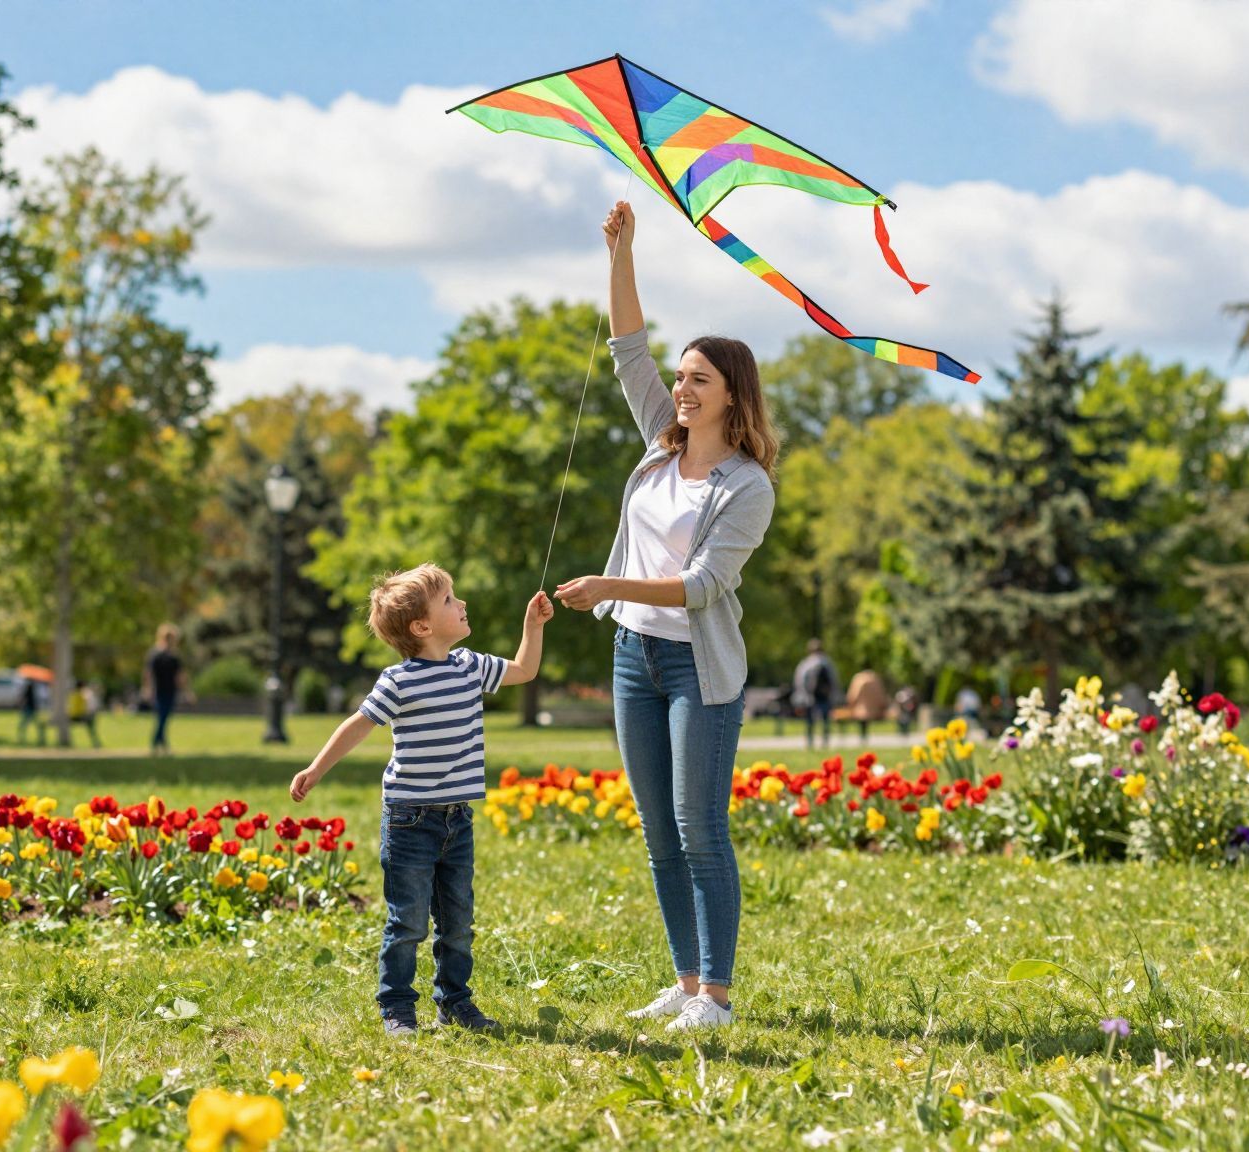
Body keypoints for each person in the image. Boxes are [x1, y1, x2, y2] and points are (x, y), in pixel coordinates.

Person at [554, 200, 778, 1033]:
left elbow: (702, 587)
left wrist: (607, 585)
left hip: (696, 669)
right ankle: (686, 984)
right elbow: (627, 349)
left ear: (732, 396)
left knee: (699, 830)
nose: (680, 389)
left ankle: (717, 996)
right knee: (657, 833)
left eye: (698, 380)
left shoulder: (747, 486)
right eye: (680, 378)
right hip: (633, 658)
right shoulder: (661, 443)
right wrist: (621, 254)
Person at [291, 564, 552, 1037]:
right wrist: (316, 768)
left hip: (457, 819)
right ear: (422, 627)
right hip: (409, 820)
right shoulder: (398, 681)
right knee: (408, 922)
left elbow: (524, 670)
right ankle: (396, 1007)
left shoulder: (470, 665)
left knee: (458, 922)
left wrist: (531, 627)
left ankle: (454, 1001)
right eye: (449, 599)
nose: (462, 603)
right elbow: (358, 725)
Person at [143, 624, 193, 756]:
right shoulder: (155, 654)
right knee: (162, 717)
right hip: (157, 691)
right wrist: (148, 689)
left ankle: (161, 744)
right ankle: (156, 743)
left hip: (170, 690)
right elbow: (148, 674)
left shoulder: (175, 657)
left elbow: (180, 676)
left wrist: (187, 692)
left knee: (164, 718)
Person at [791, 639, 841, 750]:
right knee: (825, 720)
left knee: (810, 721)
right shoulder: (828, 663)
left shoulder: (805, 663)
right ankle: (825, 741)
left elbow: (799, 681)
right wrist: (835, 696)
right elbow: (834, 681)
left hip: (809, 697)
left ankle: (810, 742)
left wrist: (801, 698)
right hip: (825, 696)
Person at [68, 680, 103, 749]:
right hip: (79, 716)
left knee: (90, 724)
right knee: (91, 725)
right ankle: (96, 743)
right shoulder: (82, 694)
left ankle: (96, 742)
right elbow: (88, 706)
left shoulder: (73, 694)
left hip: (72, 716)